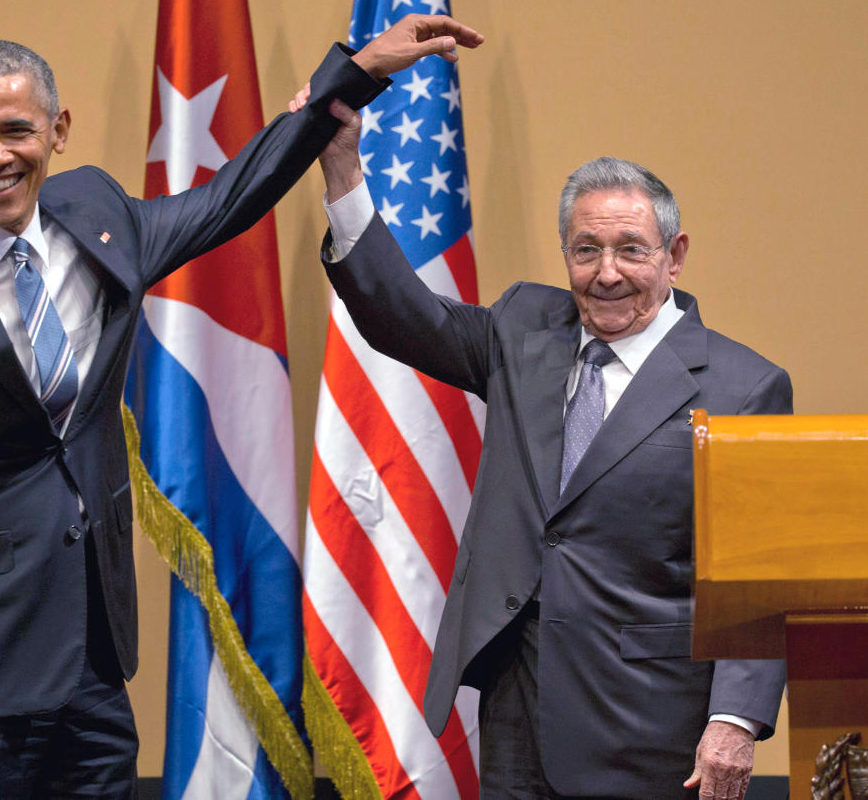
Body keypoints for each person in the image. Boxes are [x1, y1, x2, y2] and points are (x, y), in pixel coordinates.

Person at [0, 15, 483, 798]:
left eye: (16, 130)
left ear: (58, 130)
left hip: (88, 662)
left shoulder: (100, 217)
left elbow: (233, 195)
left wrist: (356, 72)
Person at [308, 95, 790, 799]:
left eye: (631, 249)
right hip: (518, 710)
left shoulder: (744, 384)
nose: (607, 272)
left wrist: (735, 718)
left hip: (651, 726)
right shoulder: (522, 329)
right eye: (586, 249)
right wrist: (343, 168)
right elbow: (403, 316)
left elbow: (757, 577)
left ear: (675, 255)